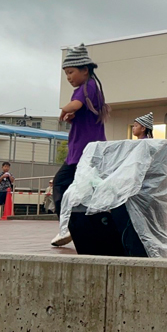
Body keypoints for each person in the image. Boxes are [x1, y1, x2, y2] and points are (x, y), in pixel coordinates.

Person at [51, 44, 109, 246]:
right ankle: (78, 227)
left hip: (84, 152)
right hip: (83, 151)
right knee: (84, 191)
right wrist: (72, 116)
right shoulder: (89, 89)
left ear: (85, 70)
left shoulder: (87, 87)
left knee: (61, 184)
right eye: (66, 73)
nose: (68, 77)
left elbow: (75, 105)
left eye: (71, 72)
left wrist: (64, 109)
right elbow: (80, 112)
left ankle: (68, 226)